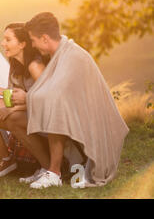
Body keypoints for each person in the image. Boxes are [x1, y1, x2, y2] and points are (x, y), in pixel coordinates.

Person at [21, 12, 129, 188]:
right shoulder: (60, 53)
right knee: (50, 105)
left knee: (55, 106)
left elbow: (56, 94)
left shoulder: (73, 56)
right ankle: (52, 168)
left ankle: (54, 173)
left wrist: (28, 97)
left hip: (94, 120)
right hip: (82, 113)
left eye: (33, 40)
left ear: (45, 38)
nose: (32, 45)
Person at [0, 23, 50, 180]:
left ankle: (40, 166)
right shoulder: (15, 63)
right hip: (24, 109)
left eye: (8, 39)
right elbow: (17, 94)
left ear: (22, 44)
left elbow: (47, 100)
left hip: (41, 114)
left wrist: (12, 110)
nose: (3, 43)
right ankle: (1, 157)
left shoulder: (34, 65)